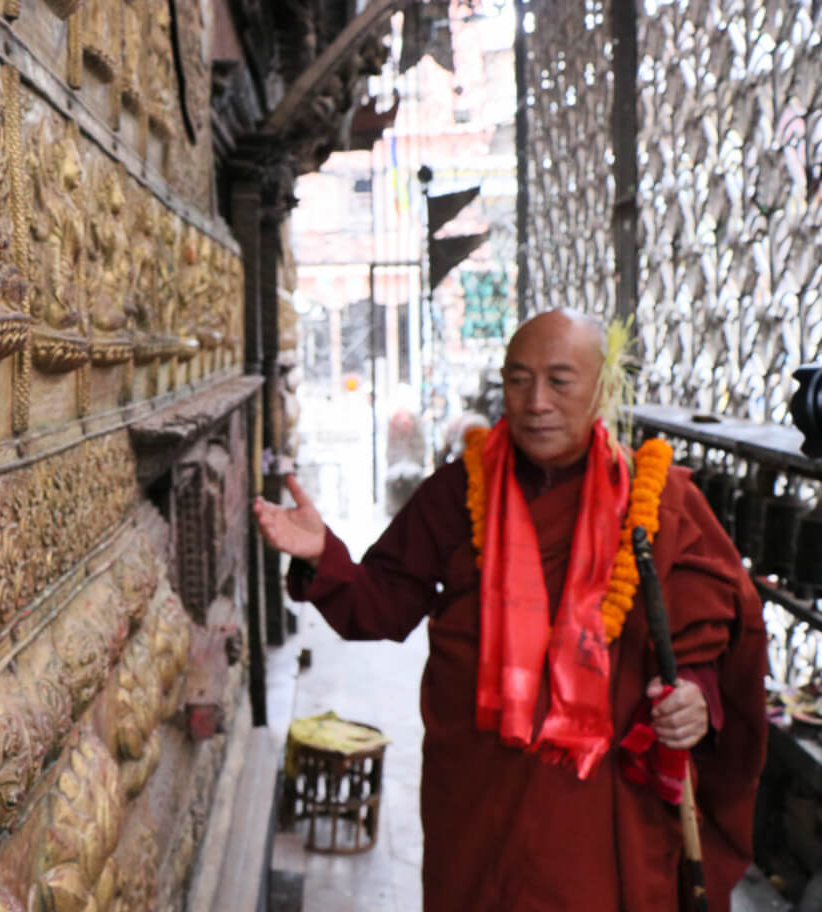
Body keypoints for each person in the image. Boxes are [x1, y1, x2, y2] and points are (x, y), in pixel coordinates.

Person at [254, 309, 767, 911]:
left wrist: (696, 700)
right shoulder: (456, 492)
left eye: (559, 380)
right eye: (519, 380)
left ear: (602, 388)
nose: (536, 402)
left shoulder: (654, 499)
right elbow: (383, 606)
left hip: (601, 803)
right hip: (482, 791)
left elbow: (710, 631)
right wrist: (323, 554)